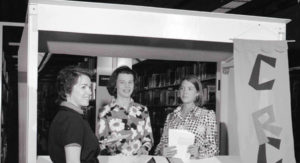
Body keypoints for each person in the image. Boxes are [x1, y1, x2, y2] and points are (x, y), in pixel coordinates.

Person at [154, 75, 219, 159]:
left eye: (190, 89)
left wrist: (199, 152)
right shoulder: (170, 117)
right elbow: (161, 144)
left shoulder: (208, 116)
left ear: (197, 93)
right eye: (182, 88)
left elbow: (214, 149)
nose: (185, 92)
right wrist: (161, 151)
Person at [48, 66, 100, 163]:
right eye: (83, 87)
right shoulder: (71, 120)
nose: (89, 92)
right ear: (67, 90)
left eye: (89, 87)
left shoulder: (65, 115)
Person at [98, 65, 153, 156]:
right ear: (115, 84)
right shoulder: (104, 111)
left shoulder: (143, 110)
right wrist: (109, 146)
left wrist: (144, 149)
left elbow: (148, 139)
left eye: (130, 82)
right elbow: (100, 144)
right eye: (122, 82)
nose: (127, 86)